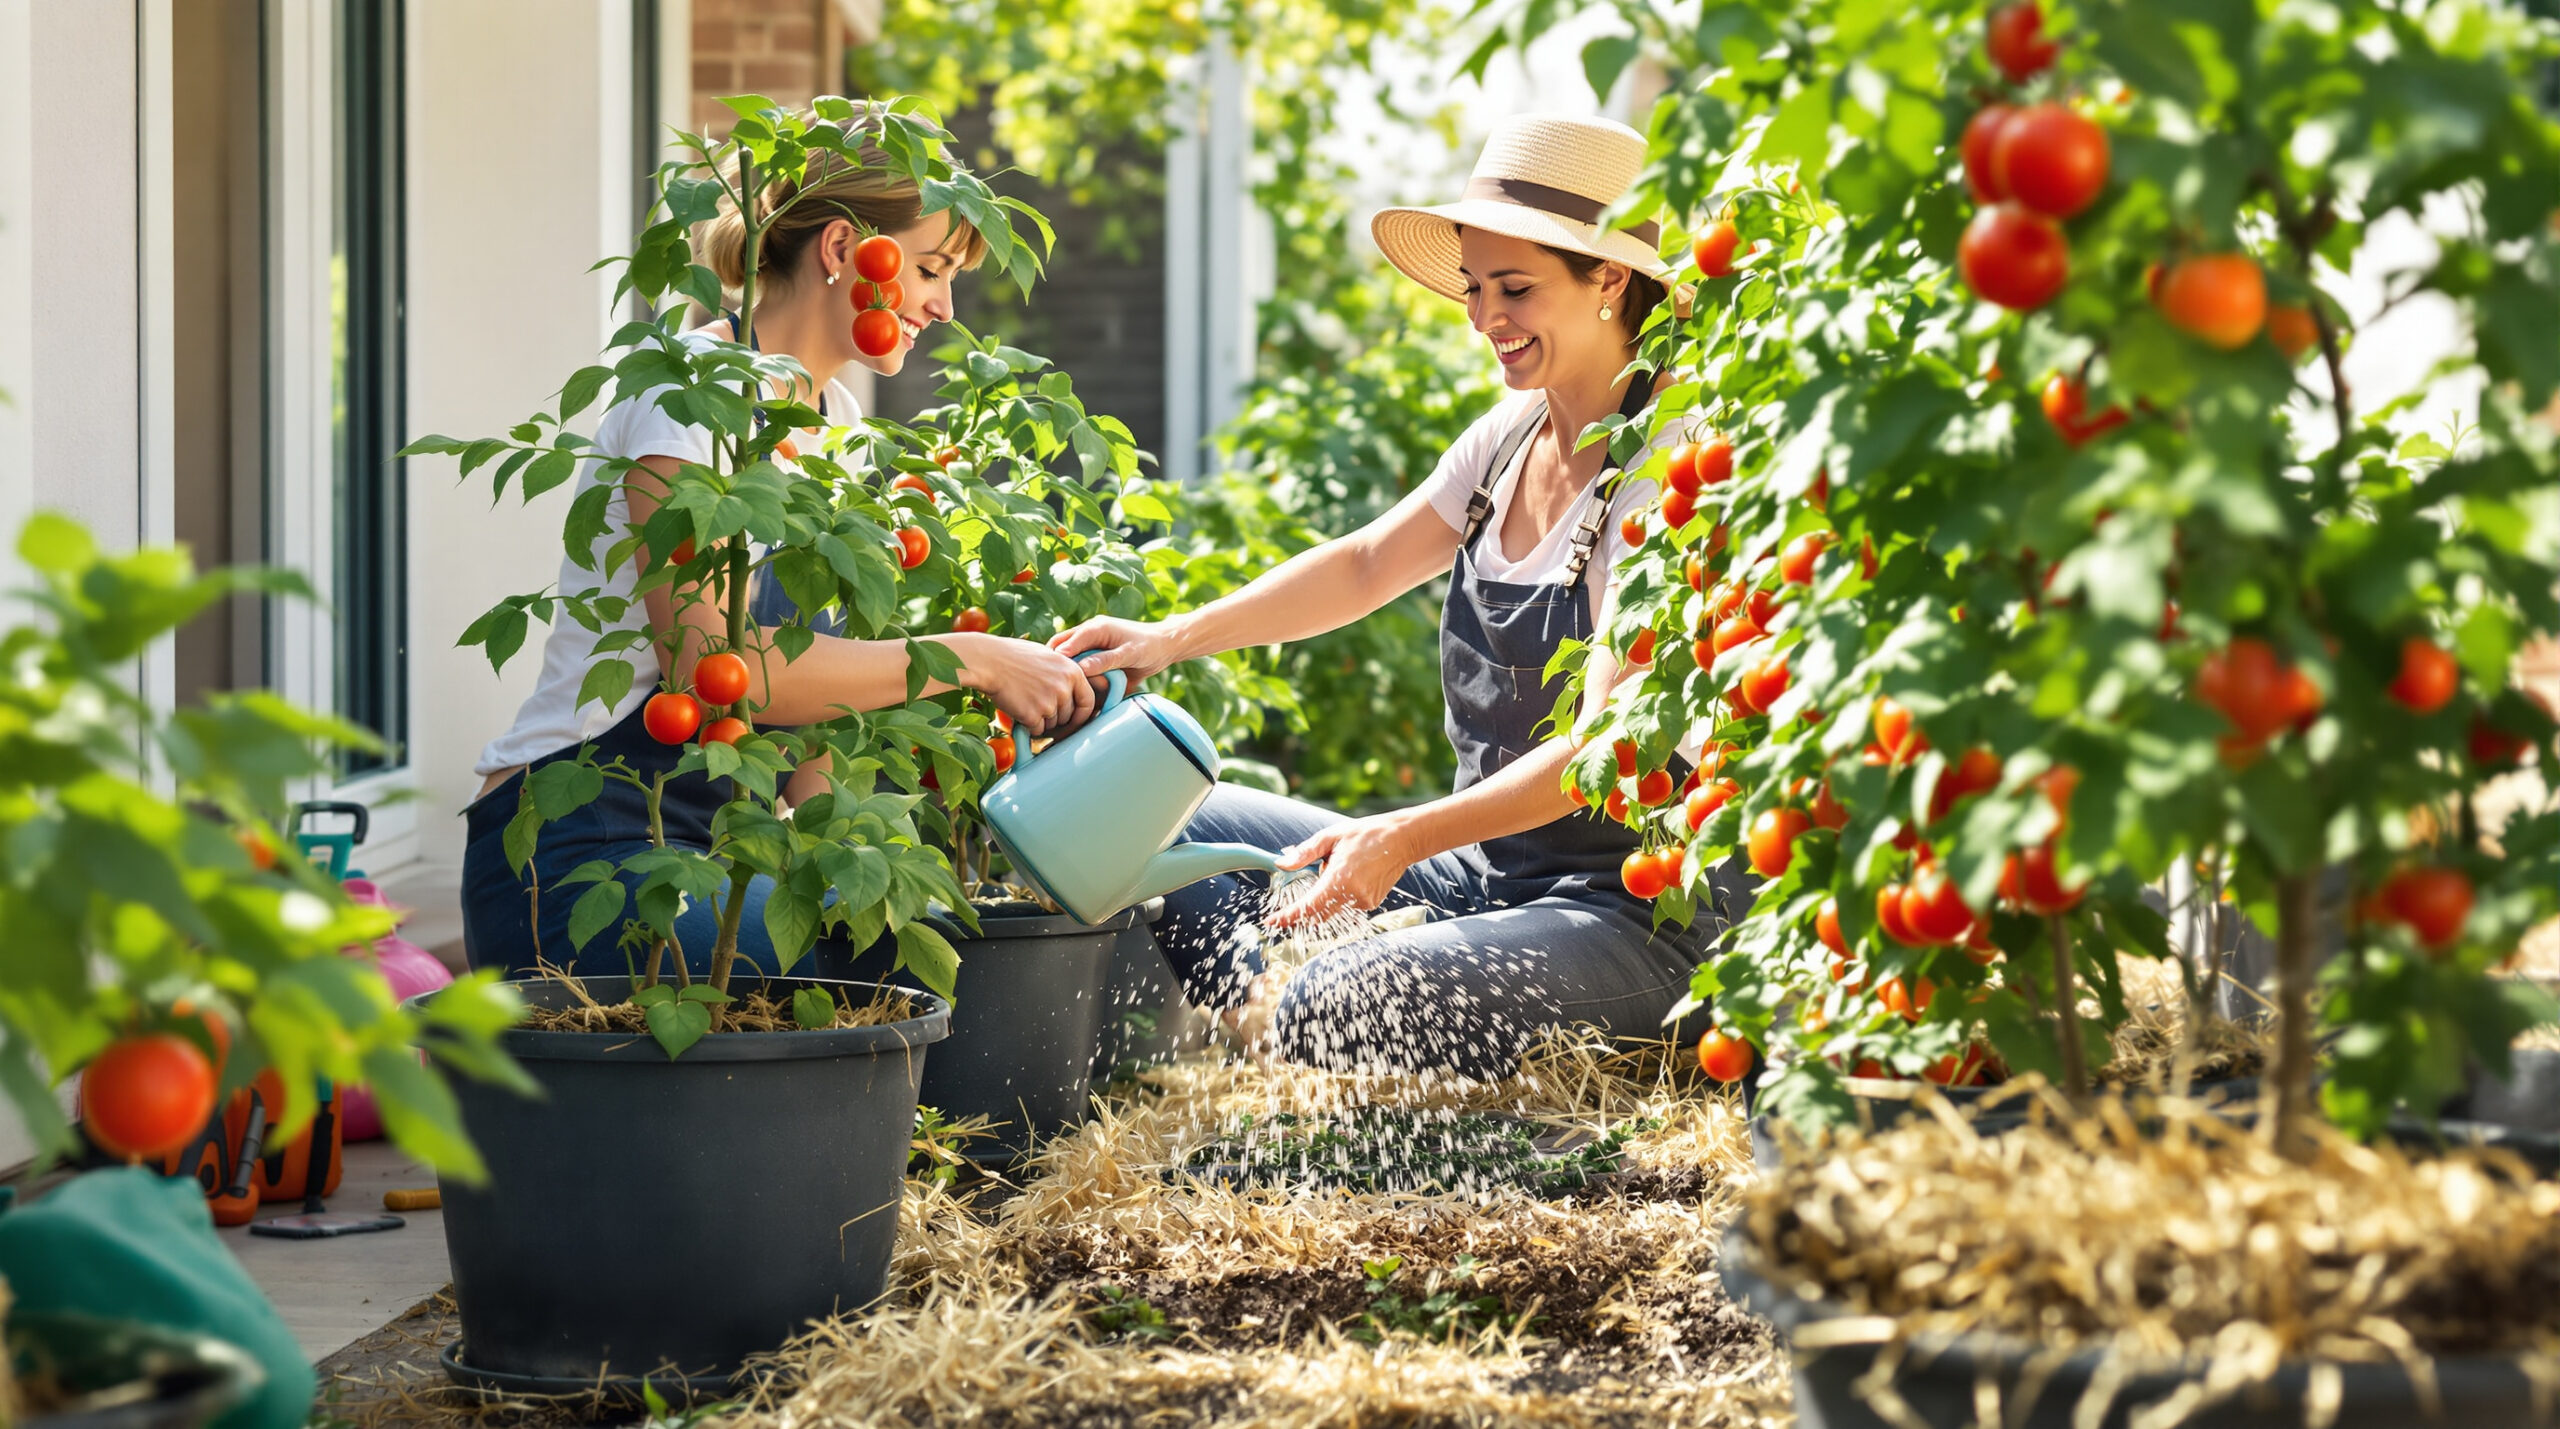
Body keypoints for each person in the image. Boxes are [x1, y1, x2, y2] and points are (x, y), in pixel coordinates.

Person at [1053, 114, 1749, 1081]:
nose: (1484, 318)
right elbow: (1367, 564)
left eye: (1516, 289)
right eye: (1475, 289)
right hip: (1495, 877)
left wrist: (1399, 837)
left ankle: (1313, 1036)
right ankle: (1295, 1053)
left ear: (1611, 280)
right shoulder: (1506, 439)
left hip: (1635, 912)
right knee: (1177, 828)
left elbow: (1606, 751)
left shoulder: (1672, 467)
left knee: (1344, 994)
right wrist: (1167, 639)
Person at [461, 113, 1098, 978]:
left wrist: (865, 863)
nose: (944, 308)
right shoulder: (693, 395)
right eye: (930, 269)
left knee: (906, 944)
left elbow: (804, 718)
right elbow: (709, 665)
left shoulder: (834, 424)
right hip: (578, 852)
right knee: (866, 968)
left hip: (710, 849)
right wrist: (969, 659)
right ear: (843, 247)